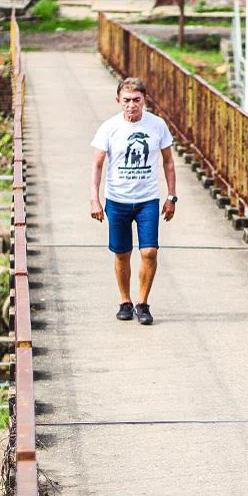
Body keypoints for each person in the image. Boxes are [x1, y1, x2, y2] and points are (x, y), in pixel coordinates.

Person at [90, 77, 177, 324]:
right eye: (126, 100)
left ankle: (143, 303)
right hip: (117, 200)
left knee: (149, 251)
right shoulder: (109, 127)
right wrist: (94, 200)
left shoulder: (157, 126)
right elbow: (97, 165)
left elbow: (169, 162)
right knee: (122, 253)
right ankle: (125, 301)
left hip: (147, 199)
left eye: (136, 100)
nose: (131, 105)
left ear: (144, 101)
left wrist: (171, 196)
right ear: (118, 101)